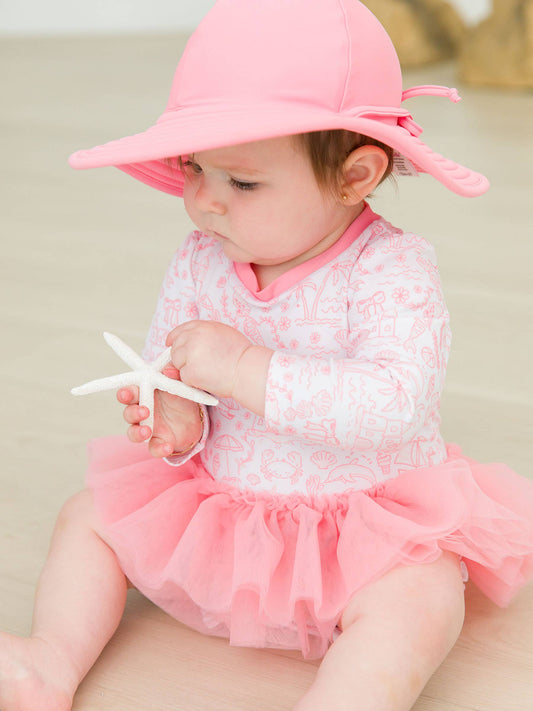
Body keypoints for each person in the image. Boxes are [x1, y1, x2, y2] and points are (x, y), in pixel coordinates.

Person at [2, 1, 532, 710]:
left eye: (243, 182)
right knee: (89, 515)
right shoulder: (200, 259)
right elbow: (175, 369)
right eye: (195, 168)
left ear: (355, 175)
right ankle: (48, 661)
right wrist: (179, 423)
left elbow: (392, 405)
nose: (206, 203)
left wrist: (244, 368)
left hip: (360, 529)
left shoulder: (391, 269)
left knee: (423, 594)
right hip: (222, 514)